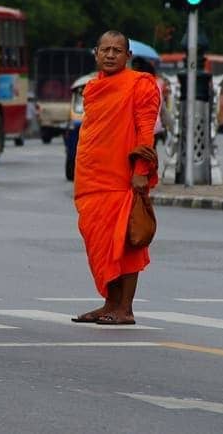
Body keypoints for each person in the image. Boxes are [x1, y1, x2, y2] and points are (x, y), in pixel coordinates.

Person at [71, 30, 160, 325]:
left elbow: (145, 131)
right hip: (92, 180)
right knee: (98, 240)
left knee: (127, 242)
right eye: (105, 50)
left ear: (128, 57)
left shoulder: (140, 85)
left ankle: (125, 308)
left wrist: (140, 173)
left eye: (117, 51)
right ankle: (110, 303)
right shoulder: (93, 88)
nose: (110, 55)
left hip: (123, 179)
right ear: (96, 53)